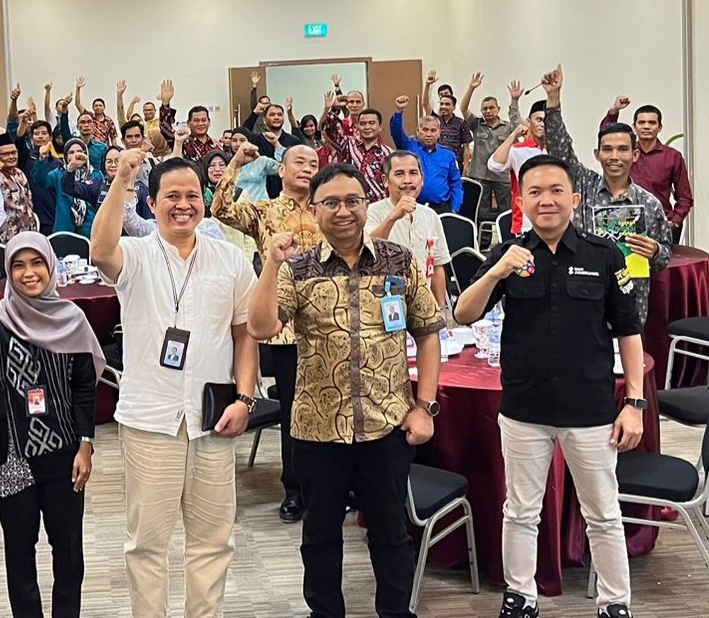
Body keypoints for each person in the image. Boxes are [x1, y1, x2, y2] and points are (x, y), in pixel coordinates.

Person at [247, 163, 445, 618]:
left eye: (352, 201)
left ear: (365, 204)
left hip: (386, 426)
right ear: (314, 209)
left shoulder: (398, 261)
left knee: (391, 534)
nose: (343, 211)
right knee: (319, 537)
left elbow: (428, 332)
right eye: (331, 202)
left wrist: (425, 407)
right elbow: (260, 327)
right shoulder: (297, 268)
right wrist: (270, 264)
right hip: (318, 431)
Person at [454, 155, 646, 618]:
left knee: (603, 513)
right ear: (521, 201)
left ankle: (615, 602)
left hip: (591, 408)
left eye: (556, 191)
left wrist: (634, 403)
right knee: (520, 510)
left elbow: (629, 332)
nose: (546, 200)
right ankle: (520, 596)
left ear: (574, 199)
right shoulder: (509, 254)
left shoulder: (605, 255)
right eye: (535, 192)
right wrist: (496, 271)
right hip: (525, 407)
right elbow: (463, 314)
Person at [89, 152, 259, 618]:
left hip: (212, 420)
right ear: (151, 202)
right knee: (147, 543)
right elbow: (100, 251)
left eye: (192, 195)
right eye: (172, 196)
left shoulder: (229, 259)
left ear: (203, 200)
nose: (183, 205)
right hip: (150, 420)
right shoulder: (136, 254)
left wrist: (246, 398)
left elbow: (245, 334)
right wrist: (122, 178)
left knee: (212, 542)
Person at [0, 232, 100, 618]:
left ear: (50, 266)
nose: (28, 272)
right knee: (19, 555)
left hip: (64, 453)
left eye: (37, 263)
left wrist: (86, 444)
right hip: (13, 456)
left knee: (68, 552)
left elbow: (84, 388)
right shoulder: (0, 319)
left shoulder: (72, 320)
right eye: (18, 265)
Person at [209, 141, 321, 521]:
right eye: (299, 162)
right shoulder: (264, 210)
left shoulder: (327, 210)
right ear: (282, 170)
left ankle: (334, 485)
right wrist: (236, 164)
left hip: (328, 324)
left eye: (313, 163)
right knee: (293, 412)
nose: (307, 169)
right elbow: (220, 209)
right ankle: (295, 489)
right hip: (285, 328)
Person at [540, 66, 671, 321]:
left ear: (635, 155)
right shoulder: (584, 185)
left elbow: (663, 258)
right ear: (597, 154)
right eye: (607, 149)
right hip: (582, 299)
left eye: (622, 149)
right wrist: (553, 99)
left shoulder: (649, 204)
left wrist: (655, 250)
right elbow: (560, 151)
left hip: (630, 303)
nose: (614, 156)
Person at [365, 152, 452, 311]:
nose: (407, 180)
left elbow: (437, 265)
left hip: (423, 305)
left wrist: (441, 308)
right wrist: (393, 217)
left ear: (422, 179)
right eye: (399, 174)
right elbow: (367, 251)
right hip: (383, 305)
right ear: (385, 181)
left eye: (413, 173)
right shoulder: (372, 212)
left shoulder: (431, 216)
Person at [602, 98, 693, 243]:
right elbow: (607, 137)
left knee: (663, 259)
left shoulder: (672, 156)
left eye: (652, 123)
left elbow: (685, 197)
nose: (646, 126)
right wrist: (614, 111)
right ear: (634, 127)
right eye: (641, 122)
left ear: (660, 127)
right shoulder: (625, 154)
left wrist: (675, 221)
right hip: (625, 222)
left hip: (660, 224)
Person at [464, 78, 524, 220]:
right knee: (480, 213)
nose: (488, 111)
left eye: (492, 108)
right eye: (485, 109)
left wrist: (514, 101)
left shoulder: (508, 127)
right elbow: (463, 109)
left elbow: (519, 126)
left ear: (498, 109)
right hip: (480, 176)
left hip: (502, 178)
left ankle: (508, 234)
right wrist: (471, 88)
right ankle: (482, 235)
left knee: (507, 213)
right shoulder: (477, 124)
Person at [487, 101, 551, 234]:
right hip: (525, 225)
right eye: (539, 120)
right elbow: (494, 165)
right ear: (528, 122)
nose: (542, 124)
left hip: (552, 224)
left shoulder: (556, 151)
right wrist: (513, 135)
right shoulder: (517, 150)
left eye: (546, 121)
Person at [390, 101, 464, 215]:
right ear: (418, 131)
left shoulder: (448, 155)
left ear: (439, 133)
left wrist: (454, 209)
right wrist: (398, 111)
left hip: (441, 209)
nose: (429, 134)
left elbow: (455, 184)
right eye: (425, 130)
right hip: (413, 207)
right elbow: (396, 131)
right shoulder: (408, 146)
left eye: (433, 130)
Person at [320, 104, 393, 204]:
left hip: (379, 206)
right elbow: (330, 130)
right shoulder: (348, 144)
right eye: (363, 124)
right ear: (358, 127)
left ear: (380, 127)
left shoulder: (389, 154)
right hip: (350, 203)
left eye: (372, 123)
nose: (367, 127)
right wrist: (335, 109)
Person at [0, 133, 40, 243]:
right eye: (6, 154)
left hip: (29, 233)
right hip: (6, 236)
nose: (11, 157)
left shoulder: (19, 173)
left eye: (13, 153)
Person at [421, 70, 473, 166]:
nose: (443, 106)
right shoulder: (435, 120)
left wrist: (466, 167)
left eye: (447, 104)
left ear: (454, 107)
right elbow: (425, 104)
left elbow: (466, 147)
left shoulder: (461, 123)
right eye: (442, 104)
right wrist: (428, 85)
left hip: (455, 162)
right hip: (436, 161)